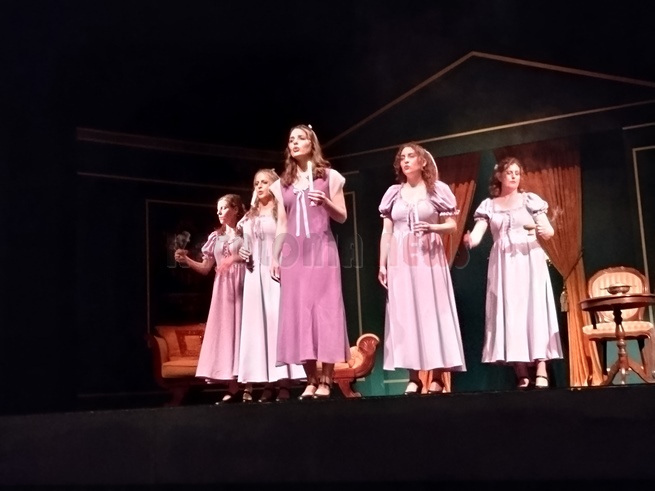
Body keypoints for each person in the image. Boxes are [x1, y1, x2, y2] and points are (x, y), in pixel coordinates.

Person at [463, 156, 563, 389]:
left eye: (517, 173)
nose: (514, 176)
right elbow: (477, 235)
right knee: (510, 313)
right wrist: (469, 240)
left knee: (535, 311)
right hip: (503, 264)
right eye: (509, 172)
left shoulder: (529, 200)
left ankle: (541, 368)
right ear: (499, 176)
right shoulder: (489, 205)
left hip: (529, 260)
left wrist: (544, 229)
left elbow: (548, 231)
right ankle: (521, 373)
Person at [378, 142, 467, 395]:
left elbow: (452, 225)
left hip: (429, 257)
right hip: (401, 259)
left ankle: (437, 375)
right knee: (406, 313)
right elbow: (387, 231)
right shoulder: (393, 193)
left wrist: (432, 227)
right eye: (402, 157)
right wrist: (382, 263)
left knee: (431, 312)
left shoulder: (437, 190)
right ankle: (414, 377)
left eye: (411, 156)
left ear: (423, 161)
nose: (405, 161)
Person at [269, 124, 350, 400]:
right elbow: (282, 224)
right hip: (295, 256)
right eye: (291, 139)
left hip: (321, 251)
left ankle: (327, 378)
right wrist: (275, 257)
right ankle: (311, 379)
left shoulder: (329, 176)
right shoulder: (282, 184)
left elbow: (342, 216)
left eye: (300, 138)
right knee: (300, 313)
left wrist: (326, 202)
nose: (294, 143)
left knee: (326, 311)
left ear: (311, 143)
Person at [237, 168, 305, 402]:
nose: (259, 186)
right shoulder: (249, 216)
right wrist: (243, 251)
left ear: (274, 185)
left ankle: (283, 382)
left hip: (275, 273)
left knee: (277, 326)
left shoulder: (281, 212)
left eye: (264, 182)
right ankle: (267, 382)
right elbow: (246, 243)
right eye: (256, 183)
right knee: (259, 328)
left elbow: (289, 240)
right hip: (253, 275)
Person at [174, 194, 249, 402]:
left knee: (243, 330)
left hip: (243, 284)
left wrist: (235, 259)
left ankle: (248, 385)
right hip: (223, 289)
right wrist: (187, 260)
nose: (219, 212)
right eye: (218, 209)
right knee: (227, 332)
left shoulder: (246, 232)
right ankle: (233, 386)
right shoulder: (215, 237)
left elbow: (253, 256)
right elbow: (206, 268)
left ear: (235, 209)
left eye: (223, 208)